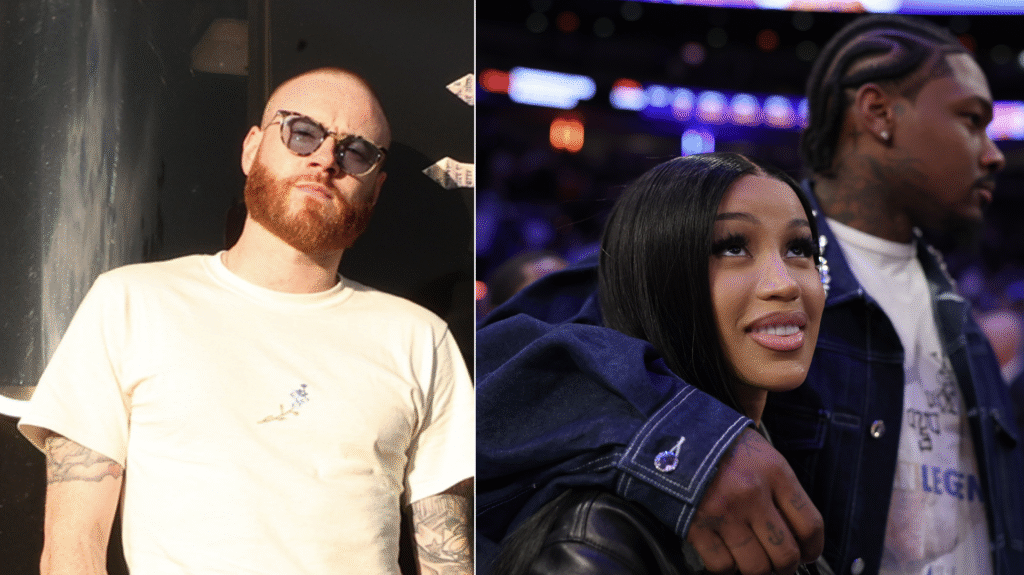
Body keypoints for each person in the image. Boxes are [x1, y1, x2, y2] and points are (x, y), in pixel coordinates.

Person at [477, 13, 1024, 575]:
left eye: (800, 253)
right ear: (878, 113)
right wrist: (690, 444)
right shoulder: (705, 240)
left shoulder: (962, 318)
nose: (993, 153)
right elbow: (496, 379)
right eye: (970, 120)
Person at [19, 68, 474, 575]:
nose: (324, 159)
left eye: (356, 151)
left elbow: (449, 559)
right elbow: (72, 548)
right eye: (303, 132)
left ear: (375, 187)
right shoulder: (132, 301)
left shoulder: (420, 339)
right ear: (252, 148)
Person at [487, 153, 829, 574]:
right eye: (733, 247)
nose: (787, 283)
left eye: (800, 248)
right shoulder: (596, 535)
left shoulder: (779, 445)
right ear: (657, 280)